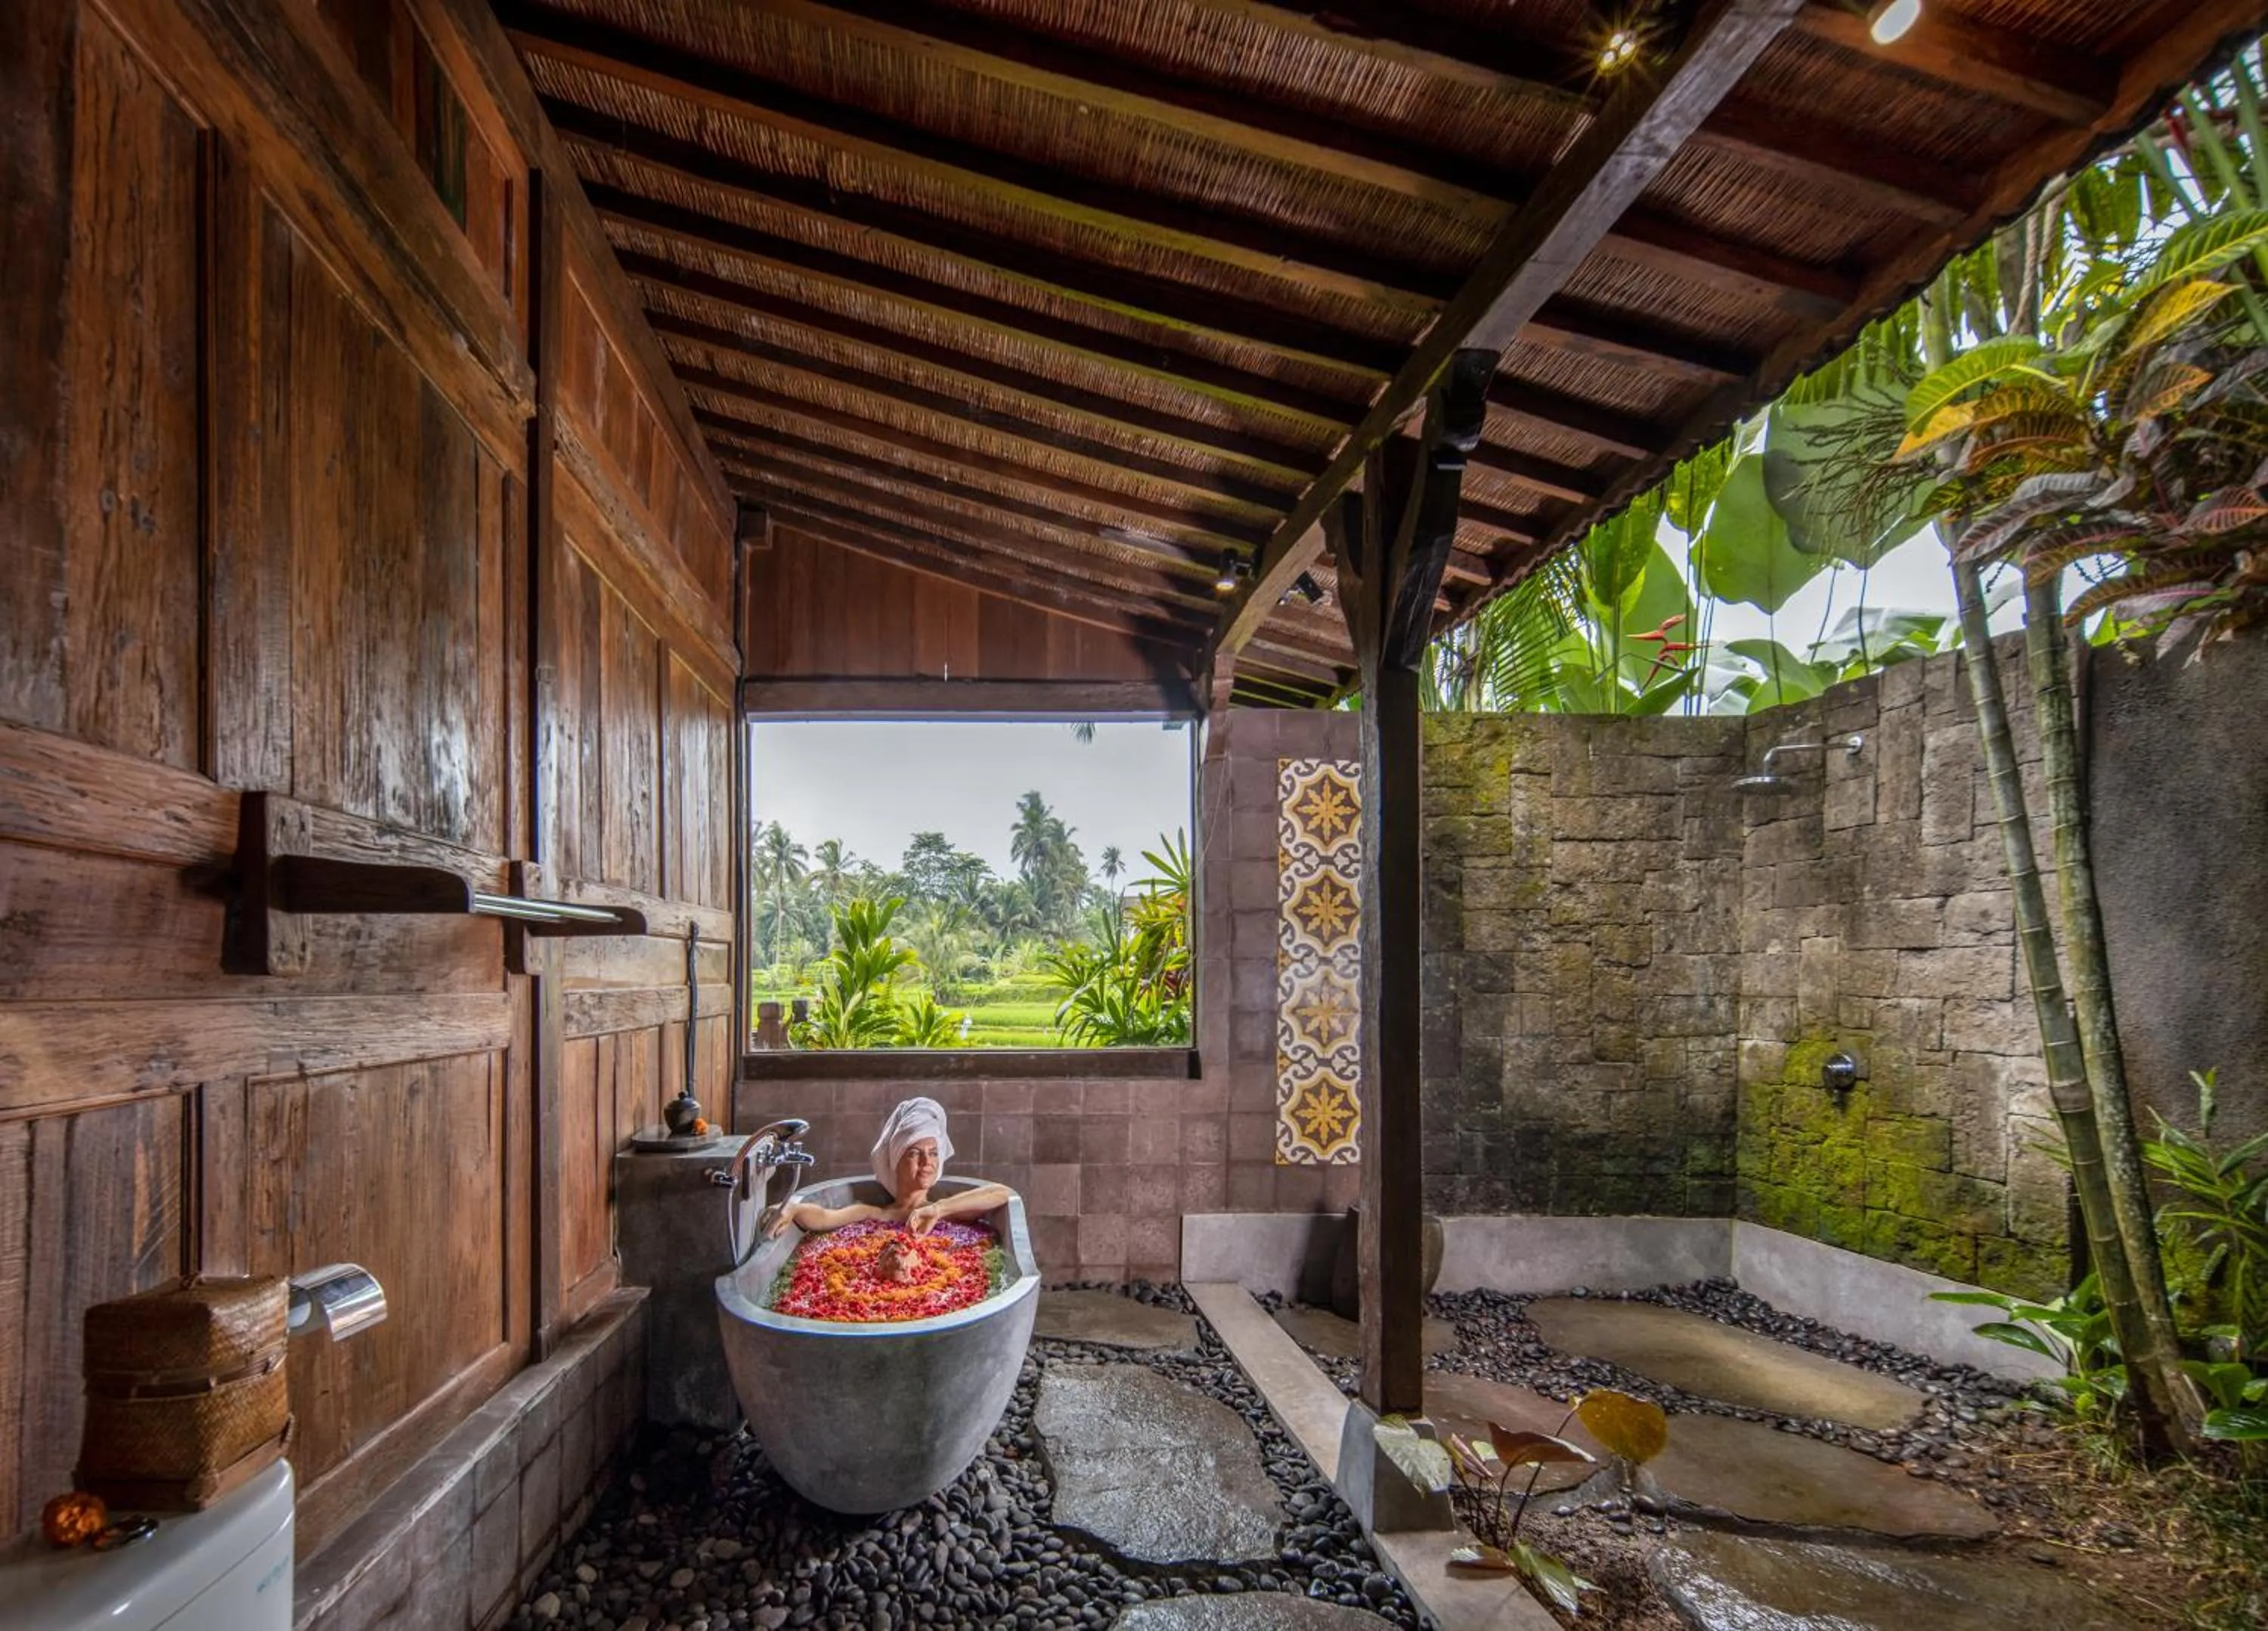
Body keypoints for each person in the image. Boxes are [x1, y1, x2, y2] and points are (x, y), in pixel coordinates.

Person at [764, 1095, 1008, 1239]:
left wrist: (938, 1210)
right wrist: (790, 1209)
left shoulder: (949, 1212)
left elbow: (1001, 1193)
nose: (927, 1162)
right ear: (896, 1160)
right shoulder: (875, 1215)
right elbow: (825, 1217)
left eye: (933, 1153)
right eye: (915, 1153)